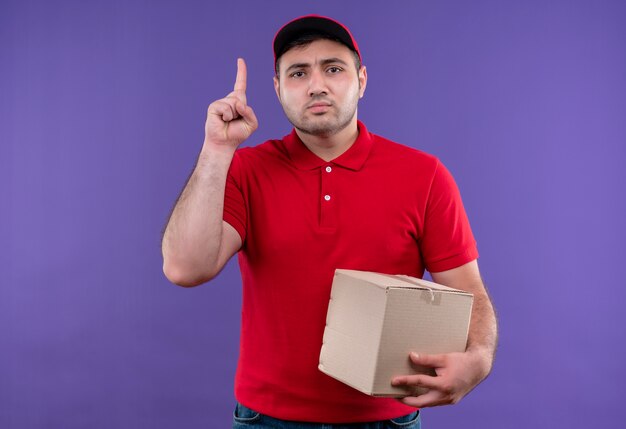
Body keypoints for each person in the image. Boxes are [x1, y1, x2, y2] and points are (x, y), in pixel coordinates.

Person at [161, 14, 497, 429]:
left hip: (386, 420)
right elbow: (184, 268)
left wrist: (479, 360)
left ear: (362, 80)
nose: (316, 84)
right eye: (298, 72)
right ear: (278, 89)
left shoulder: (424, 175)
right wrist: (216, 149)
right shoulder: (245, 170)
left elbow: (469, 291)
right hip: (266, 420)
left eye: (333, 69)